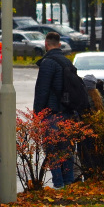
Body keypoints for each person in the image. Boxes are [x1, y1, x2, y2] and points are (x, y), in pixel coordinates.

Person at [33, 31, 73, 187]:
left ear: (46, 44)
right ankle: (69, 182)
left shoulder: (47, 63)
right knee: (67, 150)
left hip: (52, 113)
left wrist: (37, 115)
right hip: (68, 113)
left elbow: (42, 90)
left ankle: (58, 184)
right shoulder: (67, 62)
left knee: (53, 150)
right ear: (60, 44)